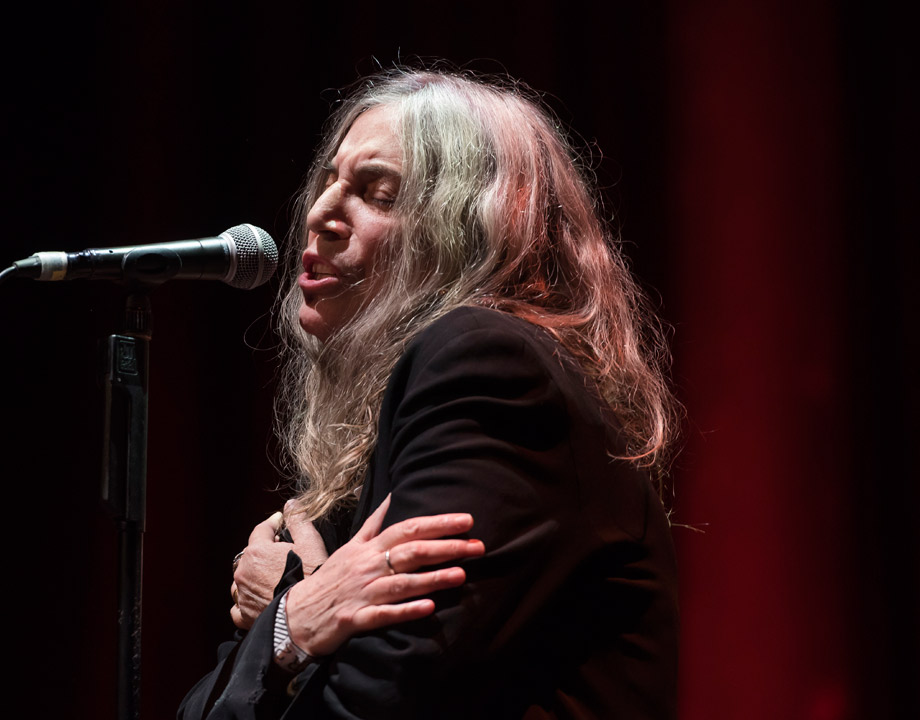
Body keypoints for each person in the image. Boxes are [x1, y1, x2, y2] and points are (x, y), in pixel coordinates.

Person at [179, 68, 680, 719]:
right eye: (329, 180)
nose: (322, 211)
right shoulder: (398, 446)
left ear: (468, 231)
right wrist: (294, 619)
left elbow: (387, 694)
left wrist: (289, 618)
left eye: (375, 193)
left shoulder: (488, 371)